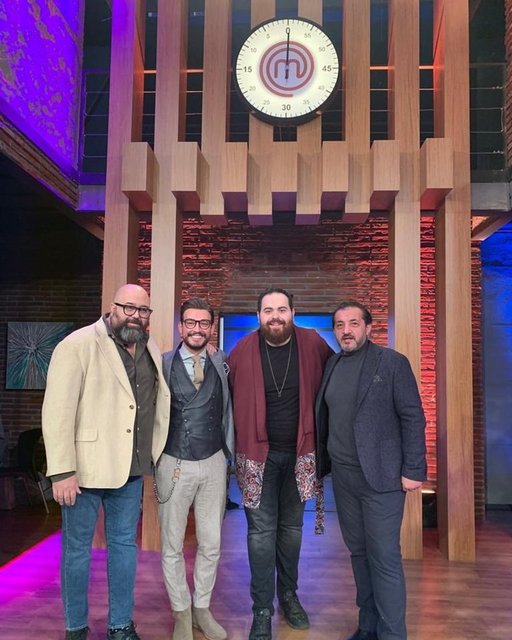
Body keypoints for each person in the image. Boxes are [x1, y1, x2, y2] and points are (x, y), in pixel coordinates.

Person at [42, 284, 171, 640]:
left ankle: (120, 625)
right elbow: (57, 411)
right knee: (77, 551)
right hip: (83, 471)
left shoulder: (150, 347)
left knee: (125, 547)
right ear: (112, 307)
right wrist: (62, 471)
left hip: (131, 469)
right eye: (129, 308)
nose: (136, 316)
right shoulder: (78, 344)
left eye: (143, 310)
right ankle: (75, 628)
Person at [315, 301, 427, 640]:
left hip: (383, 478)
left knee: (384, 556)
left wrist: (413, 468)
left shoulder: (391, 362)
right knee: (359, 553)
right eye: (339, 325)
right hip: (344, 477)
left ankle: (392, 634)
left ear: (368, 327)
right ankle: (368, 627)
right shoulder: (333, 364)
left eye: (353, 323)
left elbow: (413, 416)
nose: (346, 330)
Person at [227, 287, 333, 640]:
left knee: (291, 530)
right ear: (258, 316)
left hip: (302, 454)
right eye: (268, 310)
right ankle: (261, 609)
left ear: (293, 313)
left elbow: (336, 379)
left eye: (282, 309)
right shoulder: (242, 350)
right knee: (260, 534)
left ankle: (288, 595)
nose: (275, 316)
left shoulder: (313, 343)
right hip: (256, 458)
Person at [155, 298, 234, 640]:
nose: (197, 329)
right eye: (190, 322)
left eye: (203, 323)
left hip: (214, 461)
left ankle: (202, 608)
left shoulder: (221, 360)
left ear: (211, 327)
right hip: (173, 460)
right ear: (180, 326)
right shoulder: (161, 363)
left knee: (211, 542)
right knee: (172, 544)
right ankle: (181, 613)